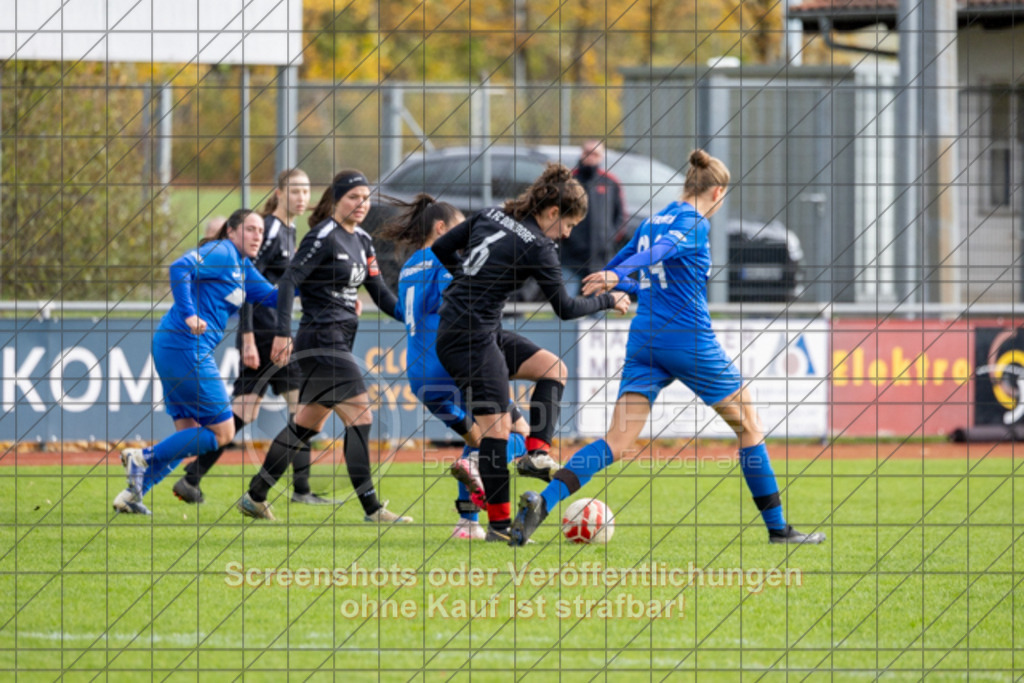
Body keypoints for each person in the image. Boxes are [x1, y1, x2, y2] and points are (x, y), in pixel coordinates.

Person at [510, 149, 827, 546]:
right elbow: (651, 259)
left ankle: (543, 499)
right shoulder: (694, 223)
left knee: (616, 441)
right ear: (716, 192)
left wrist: (614, 275)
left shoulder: (653, 222)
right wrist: (617, 274)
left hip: (645, 340)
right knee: (749, 425)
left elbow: (632, 266)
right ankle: (779, 529)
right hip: (688, 339)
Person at [431, 163, 631, 542]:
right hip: (470, 338)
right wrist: (608, 299)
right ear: (552, 212)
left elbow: (442, 248)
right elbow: (566, 309)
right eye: (569, 225)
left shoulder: (493, 214)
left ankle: (537, 453)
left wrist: (466, 282)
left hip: (474, 329)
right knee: (497, 432)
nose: (568, 234)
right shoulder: (539, 245)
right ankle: (500, 528)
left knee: (552, 369)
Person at [237, 169, 411, 523]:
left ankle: (255, 495)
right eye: (352, 197)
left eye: (365, 198)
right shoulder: (323, 236)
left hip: (340, 339)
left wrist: (412, 317)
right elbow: (288, 282)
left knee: (307, 424)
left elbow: (378, 292)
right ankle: (372, 509)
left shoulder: (362, 240)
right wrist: (282, 333)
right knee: (361, 416)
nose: (361, 205)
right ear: (335, 199)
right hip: (320, 338)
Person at [170, 169, 337, 505]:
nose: (302, 198)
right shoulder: (271, 230)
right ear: (279, 193)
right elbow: (243, 282)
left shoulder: (290, 231)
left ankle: (192, 478)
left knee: (246, 412)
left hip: (272, 332)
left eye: (306, 191)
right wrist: (246, 338)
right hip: (265, 335)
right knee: (300, 408)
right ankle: (301, 490)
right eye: (294, 191)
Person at [378, 193, 530, 540]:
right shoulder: (443, 262)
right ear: (442, 228)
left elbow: (405, 314)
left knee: (478, 442)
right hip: (453, 364)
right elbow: (464, 310)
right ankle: (483, 507)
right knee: (515, 433)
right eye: (460, 230)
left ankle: (466, 523)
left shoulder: (408, 267)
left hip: (419, 374)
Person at [113, 208, 278, 514]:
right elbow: (179, 268)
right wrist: (189, 313)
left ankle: (132, 495)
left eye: (262, 231)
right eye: (252, 229)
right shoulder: (224, 252)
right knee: (223, 433)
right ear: (231, 230)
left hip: (175, 346)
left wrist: (311, 286)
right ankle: (142, 457)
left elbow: (272, 297)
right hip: (185, 345)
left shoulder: (243, 267)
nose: (259, 235)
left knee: (190, 437)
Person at [560, 140, 625, 295]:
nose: (590, 157)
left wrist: (609, 238)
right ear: (581, 154)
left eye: (595, 154)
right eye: (587, 152)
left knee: (598, 309)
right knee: (564, 306)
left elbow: (621, 217)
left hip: (600, 261)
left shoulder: (611, 182)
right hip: (570, 260)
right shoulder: (567, 181)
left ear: (601, 157)